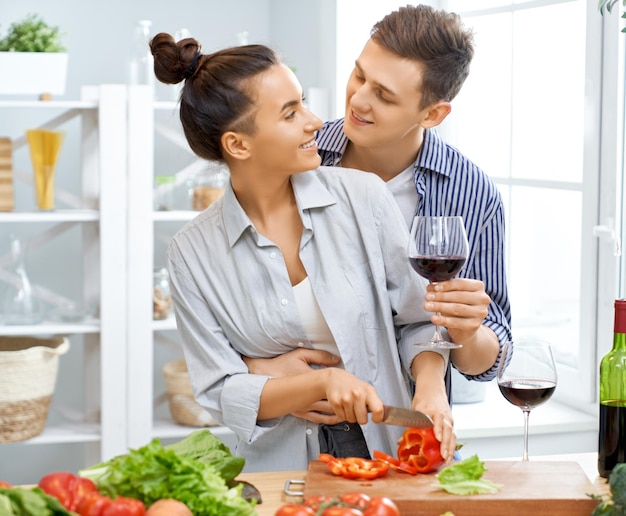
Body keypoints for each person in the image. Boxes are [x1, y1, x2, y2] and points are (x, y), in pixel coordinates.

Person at [150, 33, 455, 472]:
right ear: (238, 145)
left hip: (393, 457)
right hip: (281, 474)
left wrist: (430, 386)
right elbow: (220, 389)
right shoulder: (191, 253)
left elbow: (418, 319)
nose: (314, 121)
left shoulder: (364, 198)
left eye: (303, 103)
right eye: (290, 113)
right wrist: (319, 382)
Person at [246, 5, 512, 417]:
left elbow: (486, 362)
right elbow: (228, 301)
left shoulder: (470, 193)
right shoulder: (296, 155)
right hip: (293, 428)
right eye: (359, 75)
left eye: (384, 96)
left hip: (407, 428)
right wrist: (260, 372)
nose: (359, 100)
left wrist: (468, 332)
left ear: (433, 114)